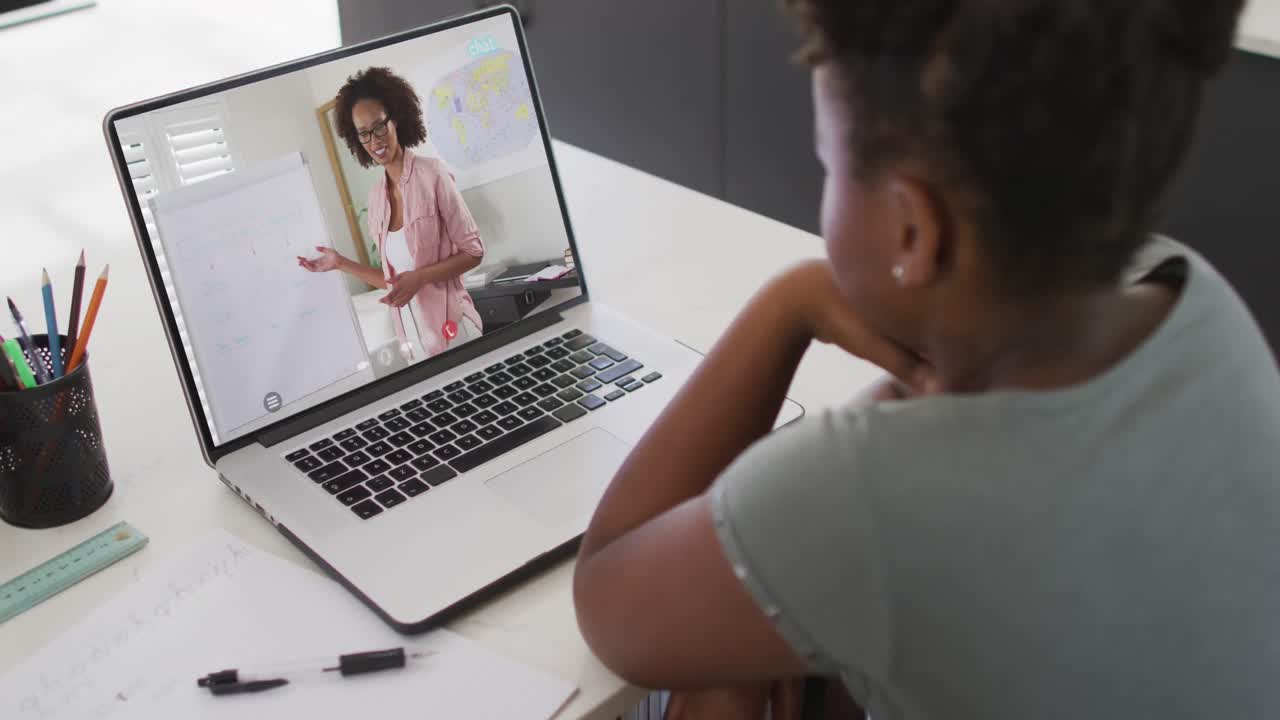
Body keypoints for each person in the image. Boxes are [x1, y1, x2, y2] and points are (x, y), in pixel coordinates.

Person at [572, 1, 1280, 718]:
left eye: (828, 162)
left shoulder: (866, 490)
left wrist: (788, 304)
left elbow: (606, 600)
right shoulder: (1203, 306)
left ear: (913, 230)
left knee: (715, 673)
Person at [299, 66, 484, 361]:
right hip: (414, 346)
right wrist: (340, 263)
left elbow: (474, 252)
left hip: (455, 332)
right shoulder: (376, 200)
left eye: (379, 127)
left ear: (395, 119)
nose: (375, 141)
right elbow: (392, 281)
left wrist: (420, 278)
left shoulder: (433, 174)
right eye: (364, 134)